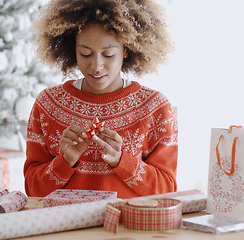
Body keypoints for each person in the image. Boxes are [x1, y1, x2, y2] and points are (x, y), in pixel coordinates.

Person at [23, 0, 177, 199]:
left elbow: (168, 189)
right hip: (66, 228)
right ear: (72, 49)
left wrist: (122, 161)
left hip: (128, 228)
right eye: (85, 53)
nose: (96, 66)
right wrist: (65, 161)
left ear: (127, 49)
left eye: (108, 54)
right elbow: (33, 190)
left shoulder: (155, 107)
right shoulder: (48, 104)